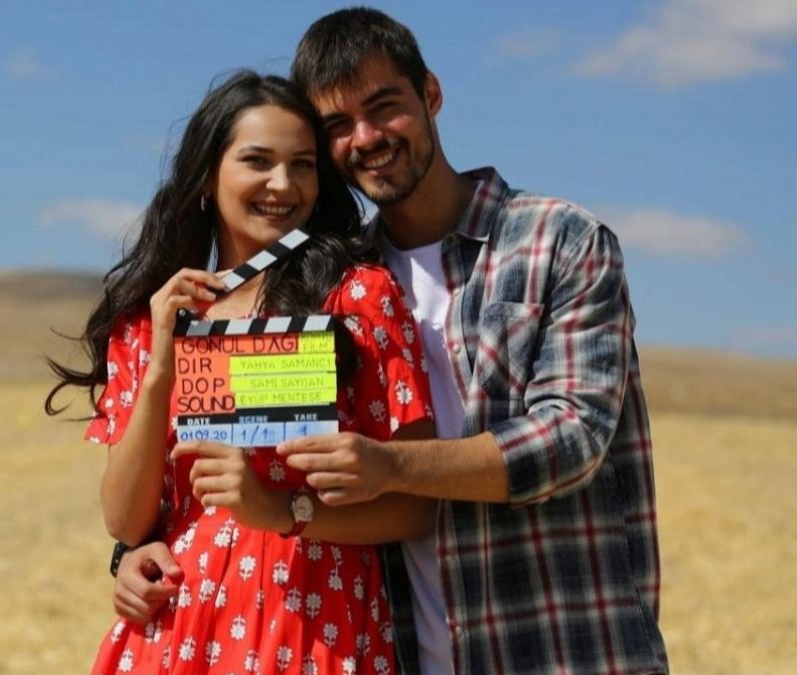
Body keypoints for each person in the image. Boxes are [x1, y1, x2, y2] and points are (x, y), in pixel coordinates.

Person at [114, 8, 669, 674]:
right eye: (338, 125)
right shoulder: (338, 284)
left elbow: (571, 439)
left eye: (384, 108)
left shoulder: (558, 241)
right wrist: (136, 551)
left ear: (431, 94)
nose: (367, 138)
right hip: (402, 649)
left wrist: (390, 466)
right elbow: (225, 460)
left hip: (558, 643)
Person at [46, 70, 440, 673]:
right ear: (208, 176)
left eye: (303, 165)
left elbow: (415, 507)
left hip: (316, 623)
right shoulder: (149, 322)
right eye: (258, 161)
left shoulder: (357, 298)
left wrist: (282, 510)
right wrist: (162, 364)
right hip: (180, 627)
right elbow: (125, 519)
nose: (282, 184)